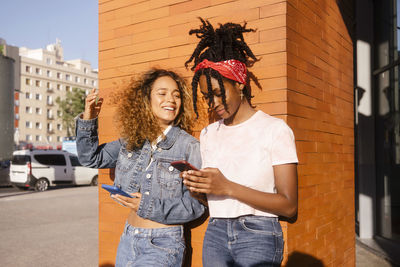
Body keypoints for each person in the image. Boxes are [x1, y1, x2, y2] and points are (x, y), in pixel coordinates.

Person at [182, 18, 298, 266]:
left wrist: (226, 186)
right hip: (215, 232)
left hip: (258, 234)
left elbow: (288, 206)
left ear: (239, 83)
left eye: (217, 92)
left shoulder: (275, 130)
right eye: (206, 97)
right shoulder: (208, 134)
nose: (212, 103)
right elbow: (216, 198)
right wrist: (199, 191)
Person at [75, 68, 205, 267]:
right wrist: (88, 118)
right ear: (146, 99)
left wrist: (146, 205)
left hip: (162, 244)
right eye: (162, 94)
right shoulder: (131, 141)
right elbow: (91, 158)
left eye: (176, 95)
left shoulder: (189, 146)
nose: (171, 100)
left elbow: (196, 205)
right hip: (128, 238)